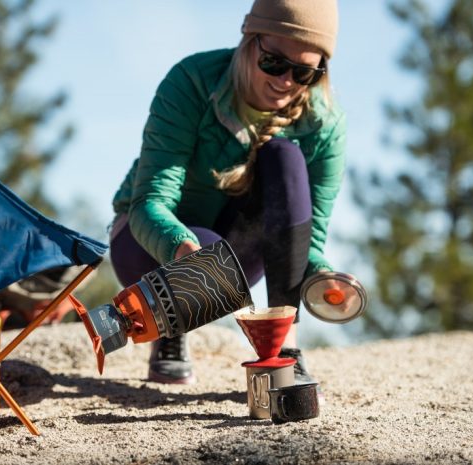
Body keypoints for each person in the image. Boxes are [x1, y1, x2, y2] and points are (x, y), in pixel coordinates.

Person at [109, 0, 345, 390]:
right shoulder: (191, 81)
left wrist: (322, 276)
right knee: (205, 247)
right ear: (250, 41)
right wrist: (181, 250)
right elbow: (151, 200)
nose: (286, 81)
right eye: (274, 63)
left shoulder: (327, 125)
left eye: (304, 72)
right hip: (147, 245)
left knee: (285, 155)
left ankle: (284, 348)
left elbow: (307, 237)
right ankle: (171, 332)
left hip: (234, 258)